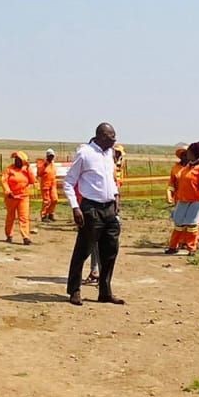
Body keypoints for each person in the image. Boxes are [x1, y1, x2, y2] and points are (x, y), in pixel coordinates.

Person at [63, 122, 122, 305]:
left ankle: (105, 292)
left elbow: (109, 178)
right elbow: (68, 182)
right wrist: (75, 207)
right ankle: (74, 290)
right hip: (91, 209)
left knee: (110, 251)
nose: (114, 139)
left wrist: (116, 197)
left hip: (110, 208)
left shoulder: (109, 154)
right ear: (101, 136)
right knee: (83, 251)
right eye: (111, 136)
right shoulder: (85, 153)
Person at [165, 142, 199, 256]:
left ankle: (192, 248)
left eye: (189, 153)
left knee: (192, 224)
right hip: (182, 199)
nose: (187, 155)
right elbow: (174, 183)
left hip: (196, 200)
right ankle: (173, 246)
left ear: (194, 154)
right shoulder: (187, 167)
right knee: (178, 223)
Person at [2, 151, 35, 244]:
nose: (17, 161)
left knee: (24, 217)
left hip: (23, 196)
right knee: (10, 217)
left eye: (19, 160)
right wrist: (8, 191)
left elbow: (33, 181)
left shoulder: (26, 170)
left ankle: (26, 237)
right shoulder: (9, 169)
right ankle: (9, 235)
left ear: (23, 161)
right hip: (11, 197)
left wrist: (28, 169)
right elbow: (4, 181)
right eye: (16, 159)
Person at [37, 149, 58, 221]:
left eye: (52, 156)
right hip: (45, 184)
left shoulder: (53, 163)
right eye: (50, 156)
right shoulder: (43, 164)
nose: (51, 157)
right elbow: (39, 173)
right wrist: (44, 166)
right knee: (47, 201)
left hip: (53, 184)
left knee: (55, 199)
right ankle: (44, 216)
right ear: (47, 156)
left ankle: (51, 214)